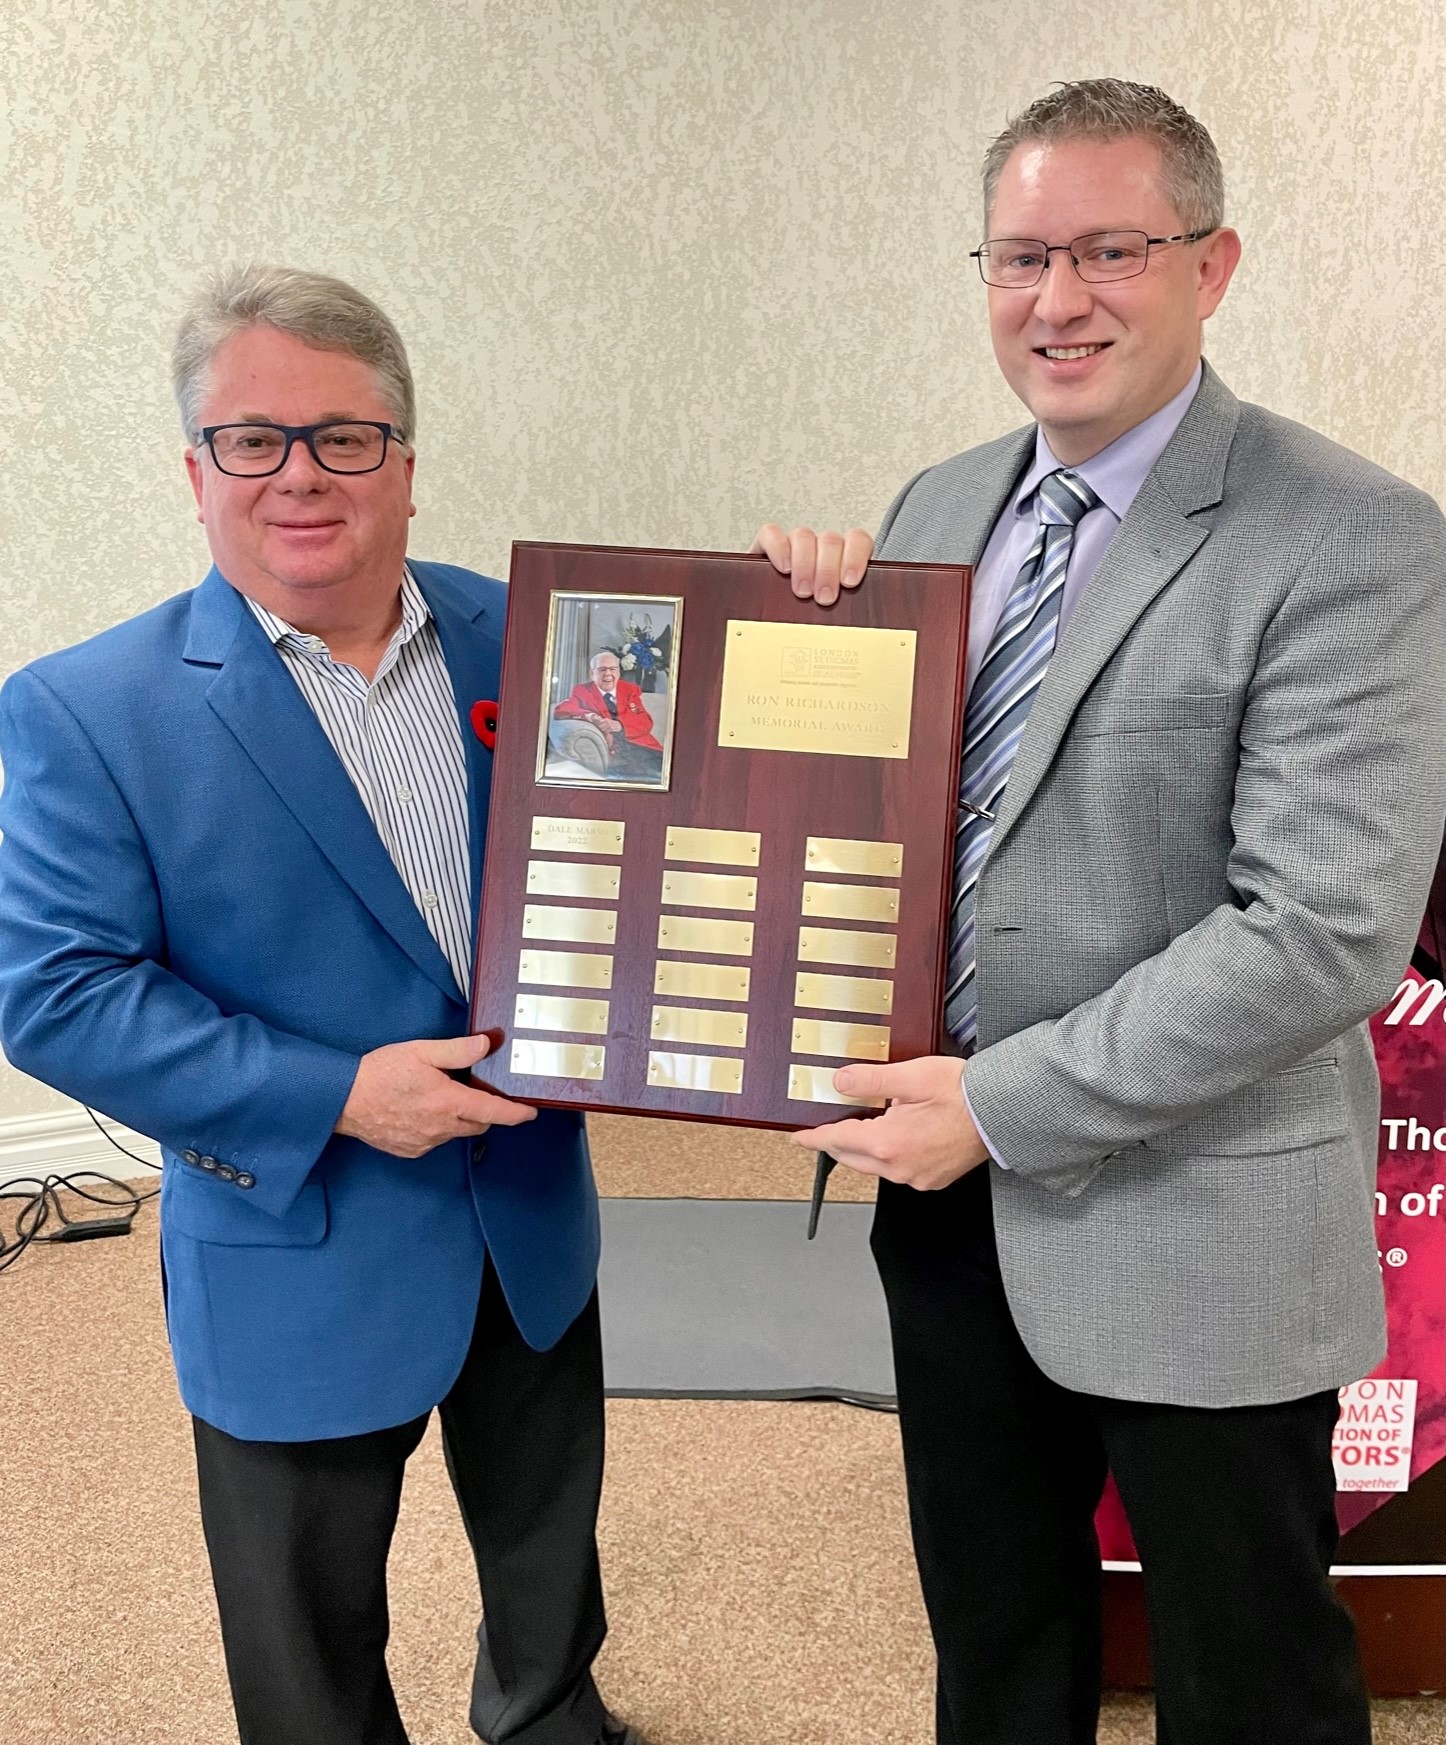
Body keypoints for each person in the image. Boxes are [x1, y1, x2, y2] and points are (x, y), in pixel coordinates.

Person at [753, 79, 1446, 1745]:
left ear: (1212, 267)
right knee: (996, 1645)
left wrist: (997, 1107)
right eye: (1019, 256)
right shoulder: (934, 509)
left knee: (1248, 1673)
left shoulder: (1352, 535)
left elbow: (1322, 927)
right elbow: (875, 826)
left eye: (1110, 251)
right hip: (944, 1212)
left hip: (1197, 1218)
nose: (1057, 300)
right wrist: (780, 637)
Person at [0, 267, 646, 1745]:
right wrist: (341, 1093)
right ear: (195, 471)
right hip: (299, 1236)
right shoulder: (87, 708)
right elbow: (58, 997)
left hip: (533, 1219)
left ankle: (545, 1714)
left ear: (405, 466)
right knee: (307, 1633)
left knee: (548, 1556)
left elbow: (691, 816)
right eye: (252, 438)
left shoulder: (548, 638)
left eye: (345, 436)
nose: (300, 473)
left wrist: (816, 585)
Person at [552, 649, 664, 780]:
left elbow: (644, 722)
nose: (608, 674)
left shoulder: (630, 690)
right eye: (602, 669)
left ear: (619, 672)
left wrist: (619, 725)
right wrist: (591, 717)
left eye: (613, 669)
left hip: (642, 748)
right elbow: (562, 709)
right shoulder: (582, 691)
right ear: (592, 673)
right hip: (615, 755)